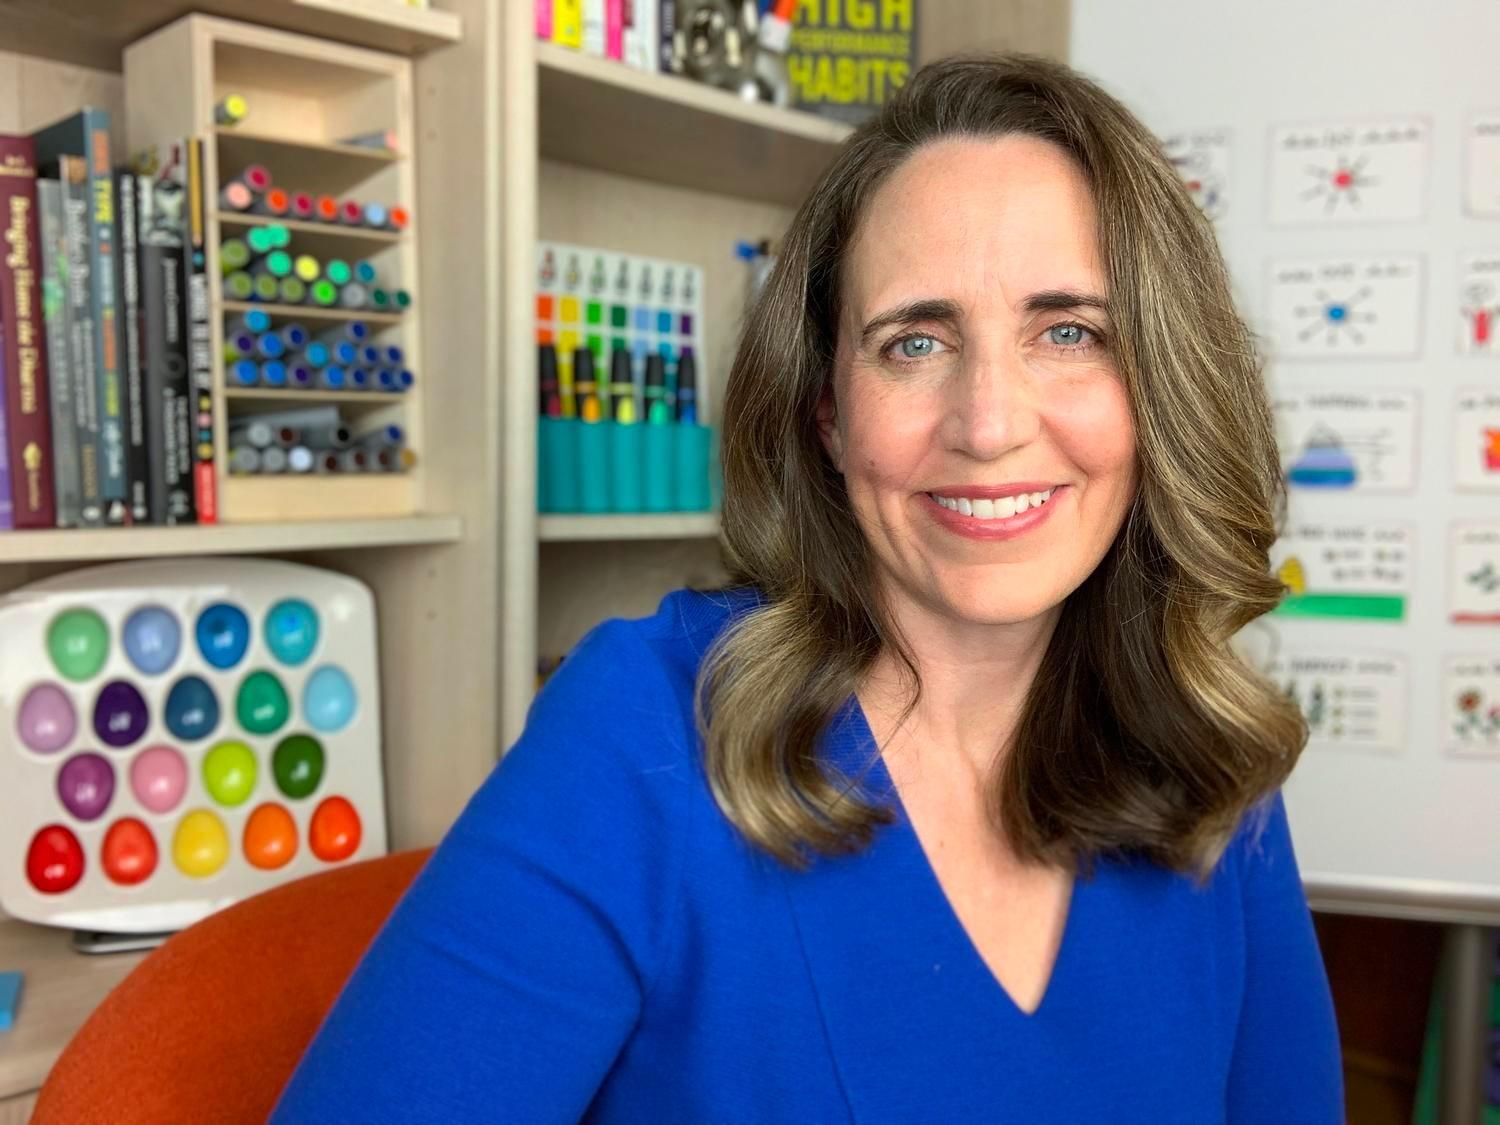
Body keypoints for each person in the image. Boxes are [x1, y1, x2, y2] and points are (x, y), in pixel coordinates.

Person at [273, 53, 1343, 1122]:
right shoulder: (642, 727)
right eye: (913, 342)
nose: (988, 424)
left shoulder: (1207, 754)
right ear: (827, 413)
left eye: (1070, 332)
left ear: (1165, 382)